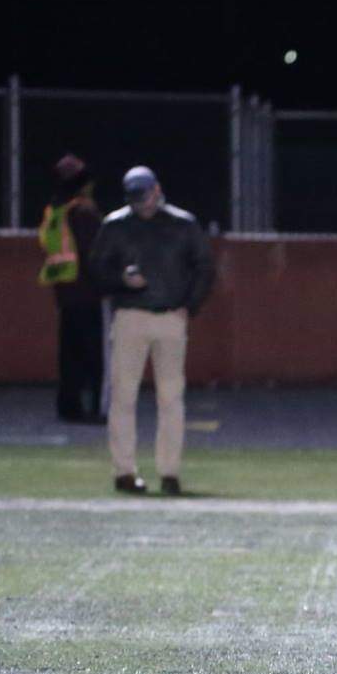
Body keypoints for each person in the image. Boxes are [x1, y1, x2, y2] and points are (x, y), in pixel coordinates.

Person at [89, 166, 215, 496]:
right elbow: (97, 270)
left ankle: (169, 472)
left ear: (156, 190)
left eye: (144, 196)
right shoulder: (115, 225)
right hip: (130, 316)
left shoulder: (183, 224)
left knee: (171, 397)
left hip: (170, 315)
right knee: (123, 396)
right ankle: (124, 471)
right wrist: (121, 281)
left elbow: (204, 266)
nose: (142, 204)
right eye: (136, 199)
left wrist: (189, 305)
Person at [37, 154, 106, 423]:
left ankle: (69, 406)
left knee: (69, 355)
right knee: (92, 355)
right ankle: (91, 409)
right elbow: (94, 253)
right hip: (88, 292)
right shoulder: (84, 211)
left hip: (65, 291)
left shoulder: (56, 210)